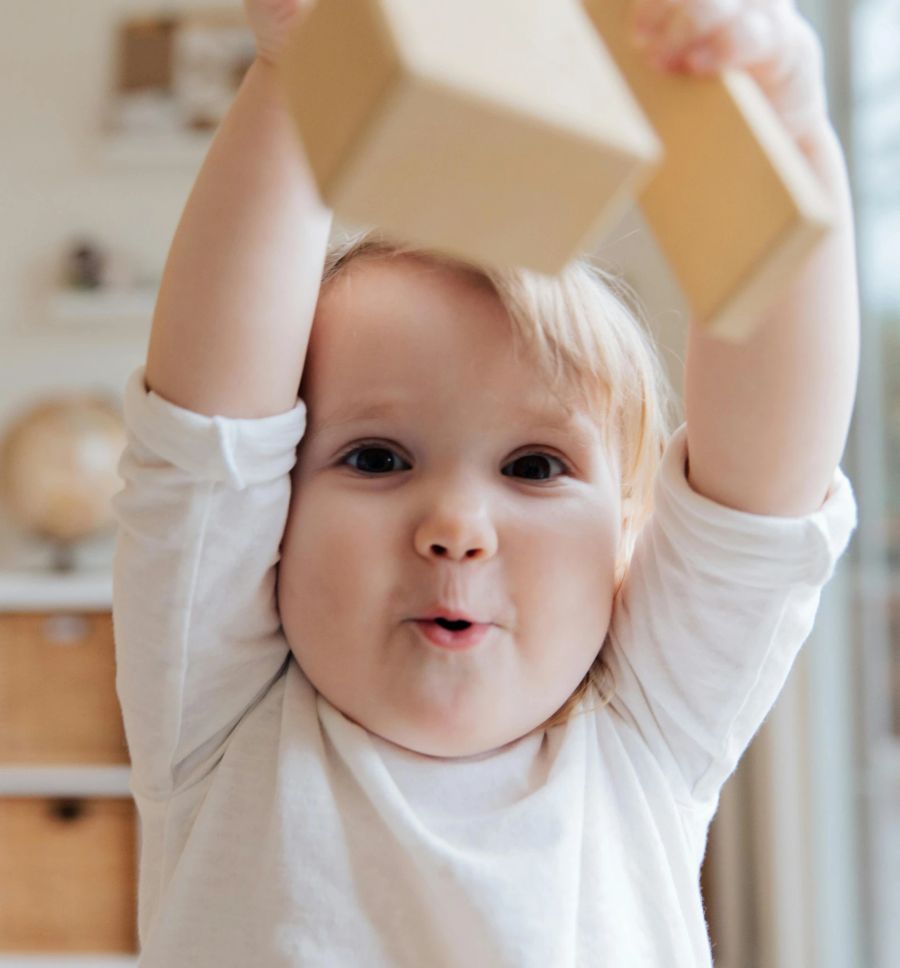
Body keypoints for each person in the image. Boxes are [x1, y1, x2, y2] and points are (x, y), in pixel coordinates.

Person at [110, 0, 860, 964]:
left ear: (626, 539)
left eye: (535, 468)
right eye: (376, 458)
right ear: (273, 519)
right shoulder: (220, 709)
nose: (457, 526)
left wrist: (790, 130)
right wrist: (304, 68)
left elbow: (765, 490)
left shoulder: (645, 727)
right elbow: (207, 438)